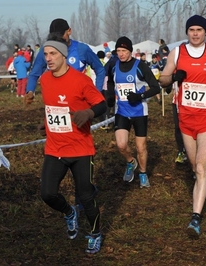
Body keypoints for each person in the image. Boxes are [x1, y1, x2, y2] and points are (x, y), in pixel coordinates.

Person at [159, 15, 206, 237]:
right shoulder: (177, 53)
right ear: (187, 31)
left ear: (205, 32)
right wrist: (173, 77)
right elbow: (162, 79)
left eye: (199, 30)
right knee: (195, 167)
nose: (195, 33)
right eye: (191, 29)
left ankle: (195, 219)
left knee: (200, 167)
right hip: (186, 120)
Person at [39, 35, 106, 254]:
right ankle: (69, 212)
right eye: (46, 54)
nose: (48, 58)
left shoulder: (81, 80)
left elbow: (102, 105)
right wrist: (47, 123)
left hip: (80, 150)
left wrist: (87, 113)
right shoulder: (45, 80)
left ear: (64, 55)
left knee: (86, 197)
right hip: (55, 148)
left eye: (53, 54)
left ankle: (95, 233)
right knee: (47, 194)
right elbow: (54, 108)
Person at [106, 36, 161, 188]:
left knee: (141, 147)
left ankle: (143, 173)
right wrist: (110, 95)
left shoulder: (140, 66)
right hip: (122, 111)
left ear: (130, 51)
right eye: (118, 51)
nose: (121, 54)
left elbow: (156, 87)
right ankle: (131, 162)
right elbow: (110, 81)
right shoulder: (114, 65)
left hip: (139, 112)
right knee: (121, 145)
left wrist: (140, 96)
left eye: (124, 50)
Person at [25, 18, 105, 103]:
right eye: (54, 38)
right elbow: (34, 74)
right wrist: (30, 91)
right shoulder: (46, 50)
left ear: (69, 31)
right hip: (56, 100)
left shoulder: (81, 49)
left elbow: (100, 69)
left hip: (79, 102)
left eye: (60, 37)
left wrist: (97, 92)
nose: (58, 41)